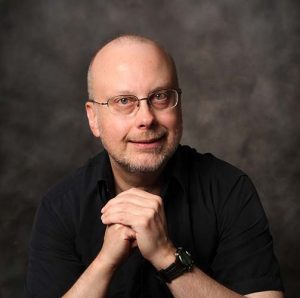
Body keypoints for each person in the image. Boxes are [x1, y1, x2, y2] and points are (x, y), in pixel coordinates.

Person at [25, 35, 284, 298]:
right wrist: (105, 263)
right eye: (124, 101)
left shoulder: (229, 189)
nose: (146, 119)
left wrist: (166, 256)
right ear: (93, 118)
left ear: (179, 105)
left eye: (160, 96)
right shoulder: (60, 207)